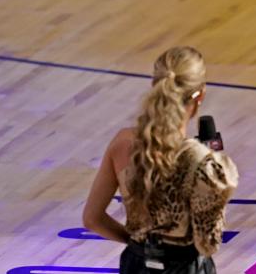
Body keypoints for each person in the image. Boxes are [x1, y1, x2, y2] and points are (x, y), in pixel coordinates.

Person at [82, 46, 238, 274]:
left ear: (155, 87)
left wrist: (140, 245)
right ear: (200, 95)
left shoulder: (122, 143)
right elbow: (208, 243)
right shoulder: (203, 163)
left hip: (136, 264)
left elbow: (92, 219)